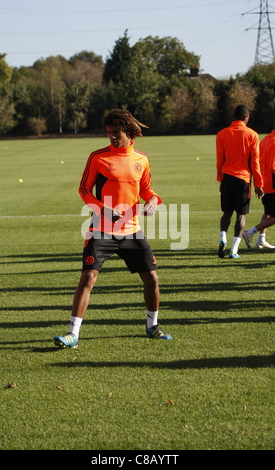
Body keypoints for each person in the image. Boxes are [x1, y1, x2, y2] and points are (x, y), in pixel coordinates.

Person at [54, 109, 173, 349]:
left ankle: (152, 326)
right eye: (108, 133)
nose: (111, 137)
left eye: (115, 133)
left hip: (131, 230)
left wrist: (153, 200)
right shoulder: (97, 157)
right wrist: (102, 209)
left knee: (151, 278)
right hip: (101, 230)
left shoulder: (142, 159)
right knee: (88, 277)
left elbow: (147, 190)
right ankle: (72, 334)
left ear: (129, 133)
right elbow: (84, 190)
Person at [216, 105, 264, 259]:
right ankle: (234, 250)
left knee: (226, 213)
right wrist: (259, 183)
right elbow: (255, 162)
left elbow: (220, 160)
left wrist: (221, 179)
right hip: (243, 179)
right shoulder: (252, 135)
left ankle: (222, 237)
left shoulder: (222, 134)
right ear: (245, 117)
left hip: (227, 178)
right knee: (241, 215)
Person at [243, 114, 275, 250]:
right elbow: (273, 167)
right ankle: (250, 232)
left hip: (264, 183)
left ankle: (261, 240)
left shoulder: (265, 139)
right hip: (274, 185)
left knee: (268, 212)